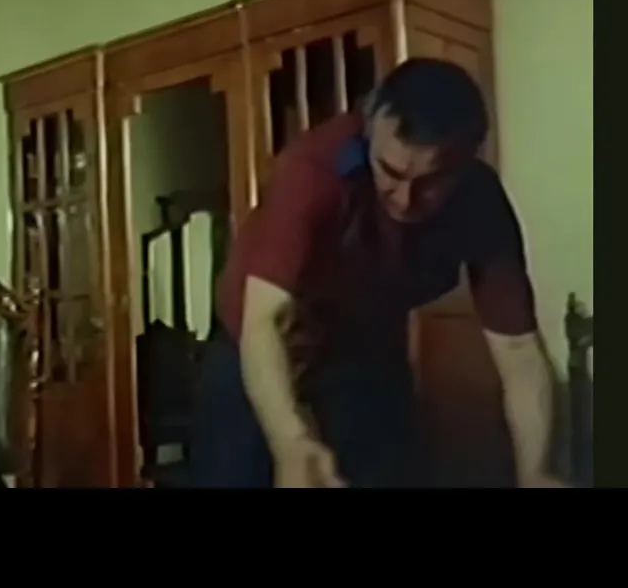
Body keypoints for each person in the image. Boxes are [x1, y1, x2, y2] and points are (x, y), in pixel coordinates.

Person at [190, 58, 564, 489]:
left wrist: (536, 472)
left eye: (431, 183)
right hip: (261, 346)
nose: (405, 200)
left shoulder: (481, 203)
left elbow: (518, 350)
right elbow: (264, 321)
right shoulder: (312, 171)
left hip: (365, 350)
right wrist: (292, 442)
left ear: (468, 162)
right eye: (390, 173)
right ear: (370, 125)